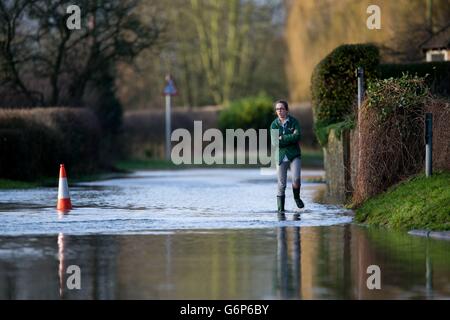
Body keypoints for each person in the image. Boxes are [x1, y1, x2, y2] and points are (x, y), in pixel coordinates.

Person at [270, 100, 304, 214]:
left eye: (281, 109)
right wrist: (290, 137)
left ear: (286, 110)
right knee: (281, 184)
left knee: (296, 179)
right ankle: (281, 210)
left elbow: (298, 136)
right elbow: (275, 142)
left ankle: (296, 198)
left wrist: (282, 138)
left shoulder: (294, 122)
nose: (279, 111)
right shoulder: (274, 125)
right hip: (280, 156)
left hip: (294, 154)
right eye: (277, 109)